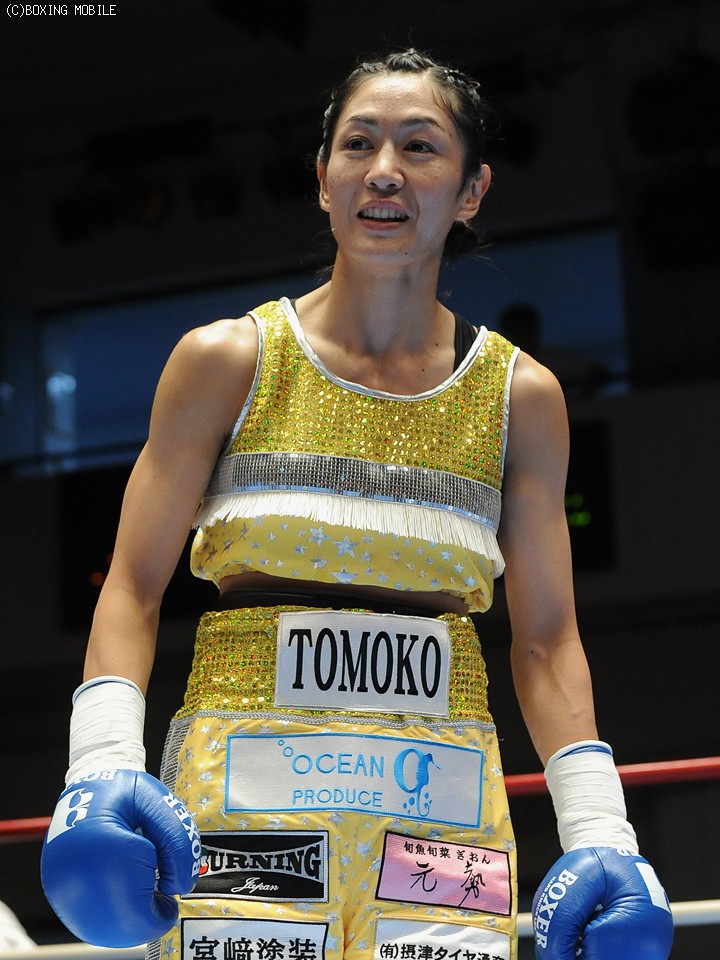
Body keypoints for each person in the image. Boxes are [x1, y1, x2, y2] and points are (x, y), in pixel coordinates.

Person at [41, 50, 674, 960]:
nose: (384, 169)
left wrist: (601, 831)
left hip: (442, 804)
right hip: (246, 789)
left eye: (420, 146)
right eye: (359, 143)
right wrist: (99, 764)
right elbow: (132, 587)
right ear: (323, 179)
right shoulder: (227, 362)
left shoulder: (521, 398)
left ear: (471, 191)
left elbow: (546, 642)